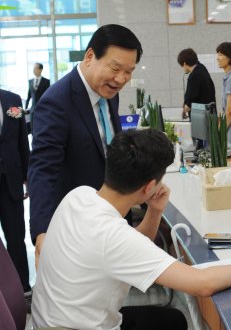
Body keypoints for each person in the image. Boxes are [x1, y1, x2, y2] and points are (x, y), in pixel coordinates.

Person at [32, 128, 231, 329]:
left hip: (48, 322)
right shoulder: (113, 236)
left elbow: (128, 248)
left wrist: (155, 211)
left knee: (171, 321)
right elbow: (201, 284)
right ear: (149, 187)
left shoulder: (79, 196)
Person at [28, 24, 143, 264]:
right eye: (115, 68)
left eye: (129, 72)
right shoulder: (56, 102)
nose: (121, 79)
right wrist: (42, 232)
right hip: (79, 226)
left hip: (112, 218)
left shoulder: (108, 92)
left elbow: (107, 147)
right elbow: (43, 169)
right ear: (90, 56)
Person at [0, 89, 31, 295]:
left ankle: (23, 289)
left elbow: (22, 141)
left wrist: (29, 177)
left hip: (10, 181)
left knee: (16, 236)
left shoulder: (12, 100)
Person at [178, 48, 216, 150]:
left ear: (185, 63)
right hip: (209, 115)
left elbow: (191, 100)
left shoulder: (194, 75)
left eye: (182, 66)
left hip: (201, 119)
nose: (183, 69)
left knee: (201, 147)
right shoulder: (202, 68)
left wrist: (184, 109)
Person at [25, 62, 50, 132]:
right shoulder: (30, 81)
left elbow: (48, 96)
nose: (33, 70)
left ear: (40, 69)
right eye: (33, 68)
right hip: (33, 110)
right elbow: (29, 96)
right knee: (32, 128)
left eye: (35, 68)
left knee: (42, 128)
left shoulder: (46, 81)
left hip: (43, 109)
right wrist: (26, 108)